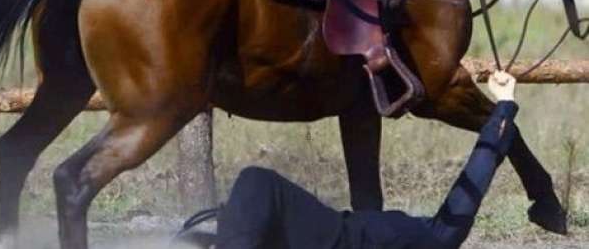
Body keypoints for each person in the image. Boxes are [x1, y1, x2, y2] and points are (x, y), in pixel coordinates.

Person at [176, 72, 520, 249]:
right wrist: (503, 105)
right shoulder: (435, 238)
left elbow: (473, 183)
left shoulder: (435, 238)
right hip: (269, 215)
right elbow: (471, 186)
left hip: (267, 211)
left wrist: (504, 105)